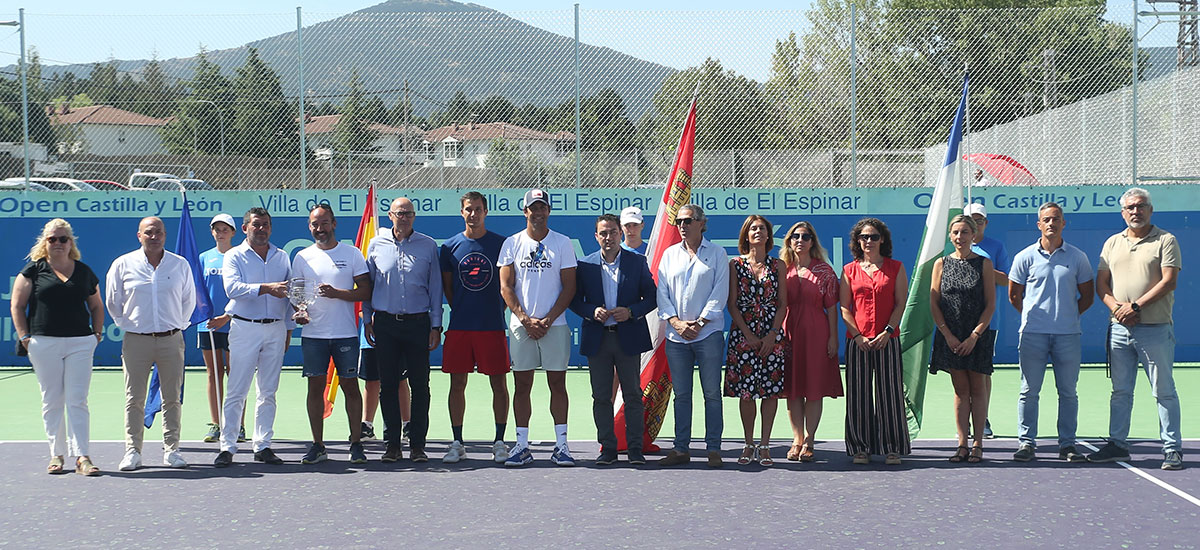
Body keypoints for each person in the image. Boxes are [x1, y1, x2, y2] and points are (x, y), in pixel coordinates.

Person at [1088, 188, 1184, 470]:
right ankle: (1118, 444)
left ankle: (1171, 448)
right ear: (1123, 212)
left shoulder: (1166, 240)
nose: (1135, 211)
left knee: (1164, 390)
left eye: (1141, 206)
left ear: (1150, 210)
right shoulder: (1112, 243)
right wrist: (1117, 308)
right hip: (1119, 329)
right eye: (1130, 207)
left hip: (1155, 328)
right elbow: (1101, 284)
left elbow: (1168, 281)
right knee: (1120, 391)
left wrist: (1136, 307)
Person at [11, 219, 104, 476]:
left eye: (63, 239)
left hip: (80, 343)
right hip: (43, 343)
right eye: (53, 239)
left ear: (71, 242)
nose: (59, 243)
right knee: (51, 399)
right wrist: (26, 338)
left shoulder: (84, 271)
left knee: (77, 400)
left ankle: (83, 456)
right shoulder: (32, 271)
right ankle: (57, 454)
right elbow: (17, 306)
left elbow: (96, 305)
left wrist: (96, 335)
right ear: (45, 242)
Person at [106, 216, 196, 471]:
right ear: (139, 235)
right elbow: (114, 301)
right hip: (137, 341)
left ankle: (172, 450)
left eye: (159, 232)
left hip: (171, 340)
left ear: (165, 235)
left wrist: (178, 324)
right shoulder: (123, 264)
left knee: (171, 398)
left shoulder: (179, 265)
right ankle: (133, 451)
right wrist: (131, 325)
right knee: (134, 398)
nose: (154, 236)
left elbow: (188, 300)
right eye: (149, 232)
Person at [1008, 202, 1093, 463]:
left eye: (1056, 219)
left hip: (1068, 336)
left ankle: (1067, 445)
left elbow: (1087, 296)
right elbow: (1014, 294)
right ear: (1039, 224)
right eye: (1046, 219)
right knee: (1029, 391)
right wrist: (1034, 317)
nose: (1051, 224)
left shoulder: (1077, 257)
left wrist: (1066, 317)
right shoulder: (1025, 257)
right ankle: (1026, 443)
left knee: (1067, 392)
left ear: (1063, 223)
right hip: (1032, 334)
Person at [498, 188, 578, 467]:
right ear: (525, 212)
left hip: (554, 326)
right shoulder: (511, 243)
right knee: (522, 385)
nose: (538, 212)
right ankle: (521, 445)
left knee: (558, 383)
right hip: (522, 327)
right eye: (534, 208)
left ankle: (562, 446)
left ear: (549, 211)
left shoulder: (563, 243)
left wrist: (547, 319)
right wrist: (524, 318)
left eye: (543, 207)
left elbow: (569, 286)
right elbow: (506, 286)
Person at [570, 213, 656, 466]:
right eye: (603, 233)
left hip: (628, 337)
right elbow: (574, 300)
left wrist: (630, 312)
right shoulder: (584, 265)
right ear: (596, 236)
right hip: (598, 340)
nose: (608, 237)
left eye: (613, 232)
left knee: (632, 395)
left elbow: (651, 297)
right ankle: (607, 448)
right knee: (601, 396)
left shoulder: (637, 262)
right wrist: (590, 311)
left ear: (621, 234)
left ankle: (635, 449)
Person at [364, 197, 443, 464]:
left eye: (409, 213)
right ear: (390, 215)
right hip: (385, 324)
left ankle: (418, 445)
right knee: (387, 386)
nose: (405, 217)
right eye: (400, 213)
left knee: (420, 386)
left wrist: (436, 325)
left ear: (414, 216)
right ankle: (392, 445)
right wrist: (367, 319)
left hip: (418, 324)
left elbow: (435, 289)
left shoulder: (428, 245)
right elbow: (368, 285)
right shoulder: (376, 244)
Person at [292, 204, 372, 465]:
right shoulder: (302, 257)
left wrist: (339, 294)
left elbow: (366, 291)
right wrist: (300, 310)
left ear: (334, 224)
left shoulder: (352, 254)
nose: (320, 228)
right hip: (313, 335)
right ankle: (318, 445)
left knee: (350, 386)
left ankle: (356, 443)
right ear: (309, 226)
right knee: (315, 387)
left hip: (345, 334)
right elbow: (297, 295)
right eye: (315, 224)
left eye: (324, 223)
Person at [214, 208, 294, 467]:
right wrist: (266, 288)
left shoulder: (281, 257)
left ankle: (263, 445)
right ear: (246, 227)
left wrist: (289, 328)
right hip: (244, 328)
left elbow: (291, 293)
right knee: (237, 390)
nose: (261, 229)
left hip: (275, 328)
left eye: (265, 225)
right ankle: (227, 446)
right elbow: (232, 289)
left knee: (268, 391)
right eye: (256, 225)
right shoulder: (234, 256)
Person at [440, 192, 512, 464]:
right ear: (462, 212)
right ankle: (457, 442)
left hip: (491, 326)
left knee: (499, 384)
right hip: (460, 327)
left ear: (486, 212)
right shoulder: (449, 248)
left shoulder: (500, 244)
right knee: (457, 384)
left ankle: (499, 442)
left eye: (478, 209)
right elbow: (449, 290)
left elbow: (507, 286)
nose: (474, 214)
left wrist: (493, 310)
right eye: (469, 209)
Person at [656, 204, 729, 469]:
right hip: (677, 337)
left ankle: (713, 449)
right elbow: (661, 292)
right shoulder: (669, 255)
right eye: (679, 221)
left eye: (689, 220)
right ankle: (681, 448)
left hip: (708, 334)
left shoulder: (718, 253)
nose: (683, 225)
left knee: (711, 393)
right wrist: (675, 322)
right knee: (682, 395)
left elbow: (720, 292)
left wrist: (698, 323)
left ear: (702, 224)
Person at [840, 217, 910, 465]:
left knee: (890, 395)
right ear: (857, 241)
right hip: (857, 342)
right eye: (864, 237)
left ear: (883, 240)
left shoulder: (896, 268)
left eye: (874, 237)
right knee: (858, 396)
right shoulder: (849, 270)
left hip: (887, 341)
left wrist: (888, 331)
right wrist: (858, 336)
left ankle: (892, 447)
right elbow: (845, 307)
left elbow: (901, 303)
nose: (868, 241)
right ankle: (861, 447)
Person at [929, 214, 996, 464]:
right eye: (955, 232)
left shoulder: (984, 264)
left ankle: (978, 443)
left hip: (976, 337)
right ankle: (962, 444)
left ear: (973, 235)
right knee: (960, 391)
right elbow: (934, 302)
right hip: (950, 338)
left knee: (978, 389)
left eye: (965, 232)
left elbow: (990, 305)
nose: (960, 237)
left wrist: (974, 336)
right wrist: (948, 335)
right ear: (950, 235)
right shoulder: (941, 264)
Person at [724, 215, 789, 467]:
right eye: (753, 228)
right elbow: (732, 304)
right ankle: (748, 443)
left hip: (772, 337)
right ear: (746, 235)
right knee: (747, 392)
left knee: (770, 392)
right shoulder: (735, 265)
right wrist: (748, 335)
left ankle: (765, 444)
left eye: (762, 228)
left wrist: (772, 334)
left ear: (768, 235)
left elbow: (782, 304)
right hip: (744, 338)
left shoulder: (778, 266)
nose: (758, 232)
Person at [779, 221, 841, 462]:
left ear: (812, 242)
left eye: (806, 236)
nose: (800, 240)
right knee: (793, 390)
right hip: (789, 334)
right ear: (789, 241)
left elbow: (833, 309)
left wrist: (833, 338)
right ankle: (796, 439)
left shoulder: (824, 271)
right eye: (795, 236)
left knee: (814, 390)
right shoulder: (782, 269)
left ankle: (810, 439)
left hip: (817, 333)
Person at [964, 202, 1008, 439]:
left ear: (985, 223)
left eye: (979, 220)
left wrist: (982, 265)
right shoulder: (956, 246)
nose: (975, 223)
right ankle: (964, 422)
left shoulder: (995, 248)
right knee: (961, 373)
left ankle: (983, 419)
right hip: (959, 321)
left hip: (988, 322)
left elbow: (1005, 281)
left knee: (982, 372)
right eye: (971, 219)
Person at [198, 213, 242, 444]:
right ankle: (216, 424)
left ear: (234, 232)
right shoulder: (204, 258)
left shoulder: (240, 257)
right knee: (214, 374)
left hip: (236, 322)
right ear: (212, 231)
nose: (221, 232)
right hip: (209, 326)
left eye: (226, 229)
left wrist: (228, 315)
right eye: (217, 228)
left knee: (235, 375)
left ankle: (239, 425)